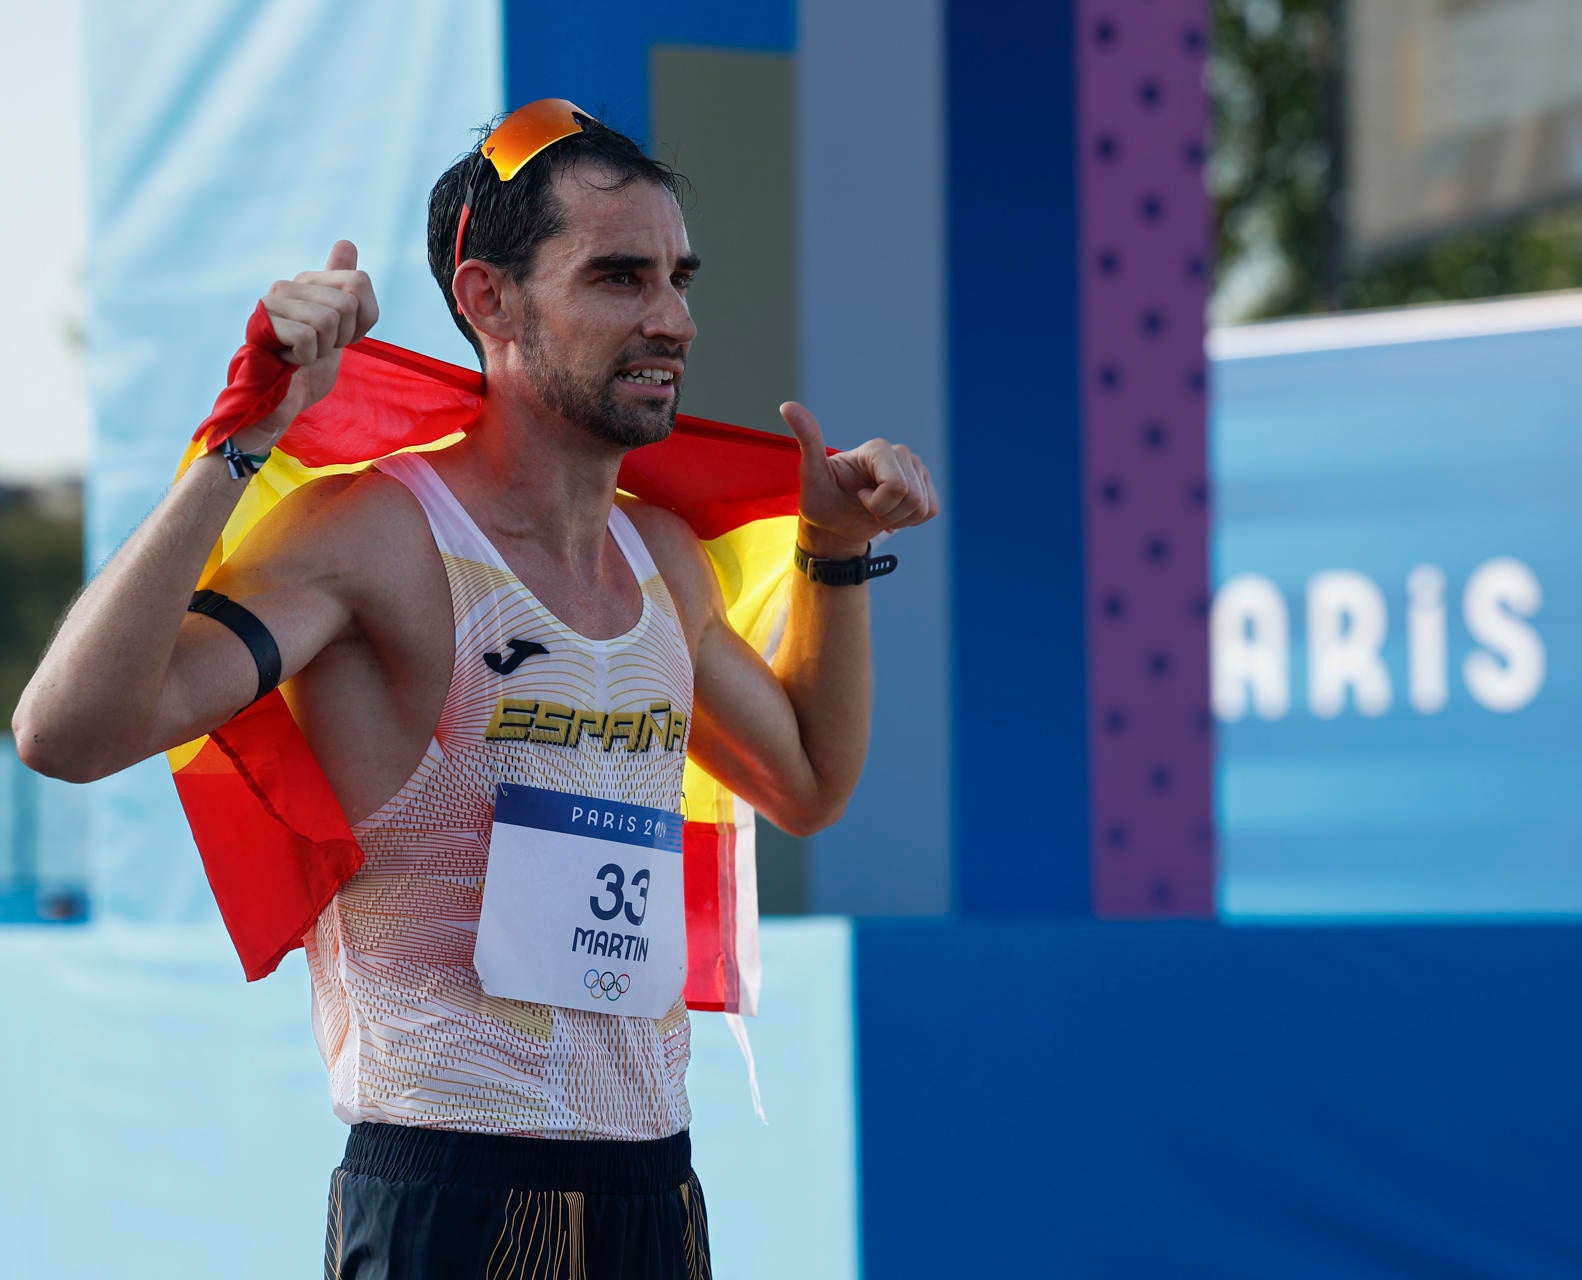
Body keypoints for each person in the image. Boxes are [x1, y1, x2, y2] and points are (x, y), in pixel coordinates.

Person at [11, 101, 938, 1277]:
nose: (672, 320)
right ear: (488, 297)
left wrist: (835, 553)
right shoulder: (375, 537)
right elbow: (65, 730)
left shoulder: (662, 557)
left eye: (676, 278)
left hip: (656, 1186)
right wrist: (241, 436)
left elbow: (806, 784)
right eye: (617, 277)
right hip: (449, 1189)